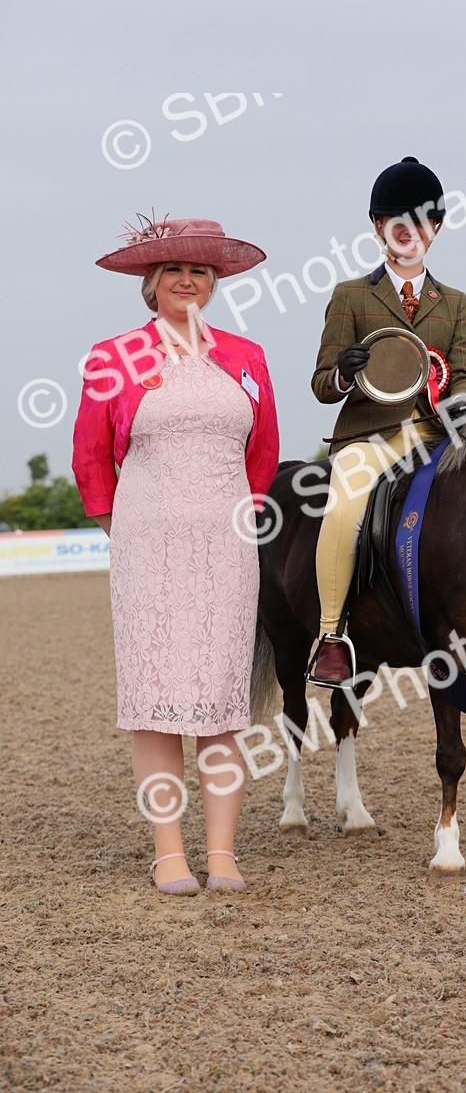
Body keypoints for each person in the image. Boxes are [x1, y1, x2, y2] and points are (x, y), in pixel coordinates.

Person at [72, 215, 279, 896]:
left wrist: (248, 511)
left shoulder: (248, 358)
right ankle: (169, 855)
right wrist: (112, 520)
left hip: (227, 546)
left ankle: (221, 854)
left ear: (214, 282)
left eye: (201, 271)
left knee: (222, 700)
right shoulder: (111, 358)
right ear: (150, 283)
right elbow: (91, 452)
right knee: (157, 700)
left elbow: (264, 450)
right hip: (148, 543)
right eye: (174, 271)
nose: (188, 280)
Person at [310, 157, 466, 686]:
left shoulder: (454, 303)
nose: (411, 231)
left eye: (422, 221)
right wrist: (342, 371)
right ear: (379, 227)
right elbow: (319, 386)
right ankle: (332, 636)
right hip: (370, 436)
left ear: (436, 229)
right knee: (345, 506)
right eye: (398, 221)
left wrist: (460, 404)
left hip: (436, 436)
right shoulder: (351, 296)